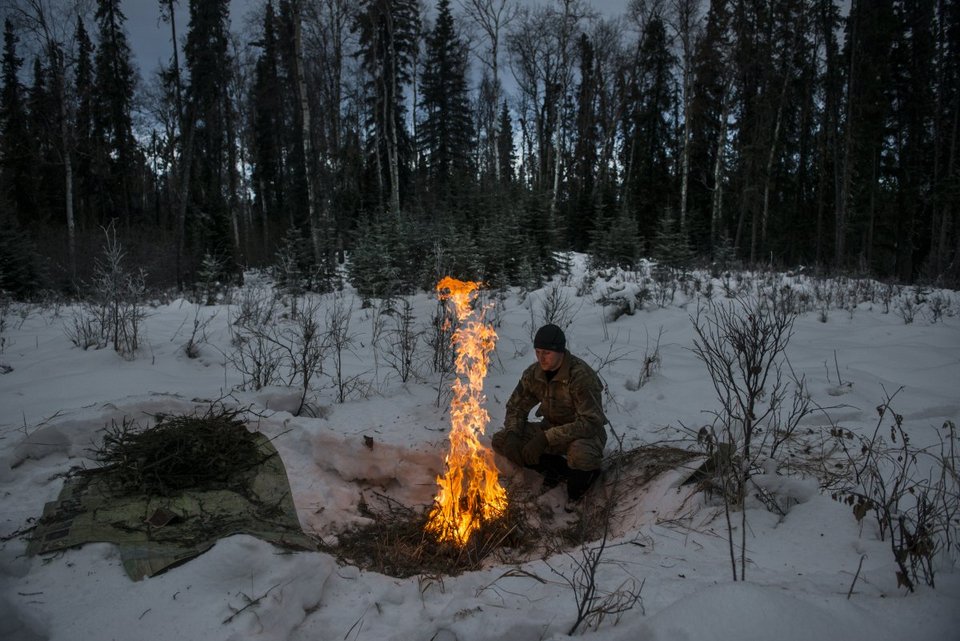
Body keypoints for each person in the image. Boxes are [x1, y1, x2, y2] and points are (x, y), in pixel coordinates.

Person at [491, 323, 607, 506]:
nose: (541, 358)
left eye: (547, 353)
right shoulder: (534, 373)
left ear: (560, 351)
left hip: (583, 435)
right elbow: (516, 407)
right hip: (550, 428)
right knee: (501, 440)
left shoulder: (581, 376)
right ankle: (556, 470)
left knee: (580, 454)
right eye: (537, 352)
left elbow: (590, 422)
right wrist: (513, 434)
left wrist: (545, 439)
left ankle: (579, 491)